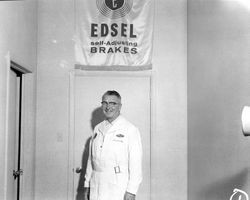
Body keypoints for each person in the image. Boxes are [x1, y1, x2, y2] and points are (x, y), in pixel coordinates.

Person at [83, 90, 142, 200]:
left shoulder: (130, 130)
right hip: (96, 184)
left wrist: (131, 191)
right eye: (105, 103)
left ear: (120, 106)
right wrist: (87, 185)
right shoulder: (97, 128)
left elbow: (136, 164)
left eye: (113, 103)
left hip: (117, 187)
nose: (108, 106)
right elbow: (91, 160)